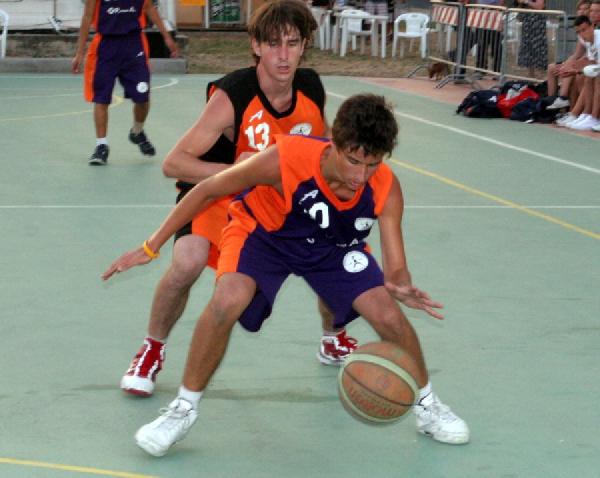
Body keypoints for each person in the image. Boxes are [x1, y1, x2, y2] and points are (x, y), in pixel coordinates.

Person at [103, 94, 470, 457]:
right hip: (264, 234)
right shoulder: (287, 158)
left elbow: (396, 263)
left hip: (330, 247)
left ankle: (428, 406)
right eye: (353, 160)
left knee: (388, 315)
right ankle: (182, 410)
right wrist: (151, 246)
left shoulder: (385, 188)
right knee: (227, 300)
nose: (360, 175)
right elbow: (208, 190)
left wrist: (400, 283)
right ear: (333, 143)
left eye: (372, 164)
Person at [119, 0, 359, 399]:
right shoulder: (233, 95)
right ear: (256, 46)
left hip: (275, 199)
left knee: (334, 245)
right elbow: (175, 163)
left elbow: (321, 138)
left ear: (304, 46)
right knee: (187, 262)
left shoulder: (310, 87)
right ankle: (151, 349)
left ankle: (332, 337)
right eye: (273, 44)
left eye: (292, 43)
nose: (283, 55)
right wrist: (238, 170)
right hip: (218, 193)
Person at [72, 0, 179, 165]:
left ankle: (137, 132)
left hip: (133, 45)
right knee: (101, 98)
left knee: (142, 97)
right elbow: (87, 17)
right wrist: (79, 53)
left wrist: (167, 37)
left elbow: (149, 8)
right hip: (106, 46)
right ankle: (101, 146)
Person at [515, 0, 547, 78]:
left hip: (537, 23)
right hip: (527, 23)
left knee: (539, 48)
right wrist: (520, 4)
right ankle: (531, 74)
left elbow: (540, 6)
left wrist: (526, 1)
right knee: (528, 48)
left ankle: (540, 75)